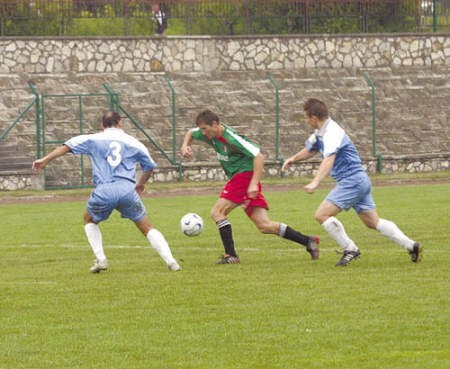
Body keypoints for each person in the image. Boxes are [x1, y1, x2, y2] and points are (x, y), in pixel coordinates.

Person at [32, 111, 182, 273]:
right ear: (120, 123)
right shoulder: (134, 143)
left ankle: (101, 259)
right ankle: (171, 262)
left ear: (102, 125)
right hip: (127, 190)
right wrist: (140, 184)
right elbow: (150, 167)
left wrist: (45, 160)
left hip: (104, 190)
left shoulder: (93, 139)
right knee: (147, 227)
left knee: (89, 219)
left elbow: (67, 146)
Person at [281, 98, 422, 266]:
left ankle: (350, 248)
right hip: (359, 180)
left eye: (306, 117)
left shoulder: (332, 132)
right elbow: (310, 149)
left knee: (322, 215)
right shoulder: (320, 132)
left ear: (313, 117)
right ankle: (411, 245)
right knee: (372, 222)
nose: (306, 121)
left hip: (352, 180)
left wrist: (316, 181)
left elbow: (329, 158)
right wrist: (293, 159)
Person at [181, 109, 319, 264]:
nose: (203, 133)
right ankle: (308, 241)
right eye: (202, 130)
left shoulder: (231, 138)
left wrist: (253, 183)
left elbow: (259, 156)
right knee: (264, 226)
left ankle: (231, 255)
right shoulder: (208, 134)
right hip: (241, 179)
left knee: (217, 212)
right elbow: (190, 133)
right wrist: (185, 146)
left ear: (215, 124)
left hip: (244, 177)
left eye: (205, 129)